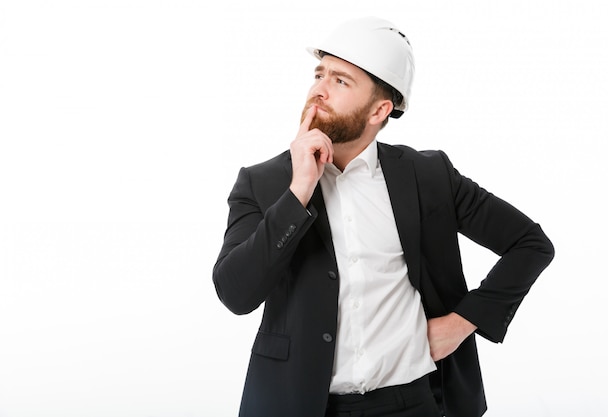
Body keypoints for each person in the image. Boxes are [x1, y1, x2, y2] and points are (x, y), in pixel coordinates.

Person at [213, 16, 554, 417]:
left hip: (413, 403)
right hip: (300, 405)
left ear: (380, 110)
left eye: (341, 81)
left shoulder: (428, 176)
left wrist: (463, 322)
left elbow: (530, 245)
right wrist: (298, 191)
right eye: (320, 73)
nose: (319, 90)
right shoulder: (262, 183)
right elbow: (235, 294)